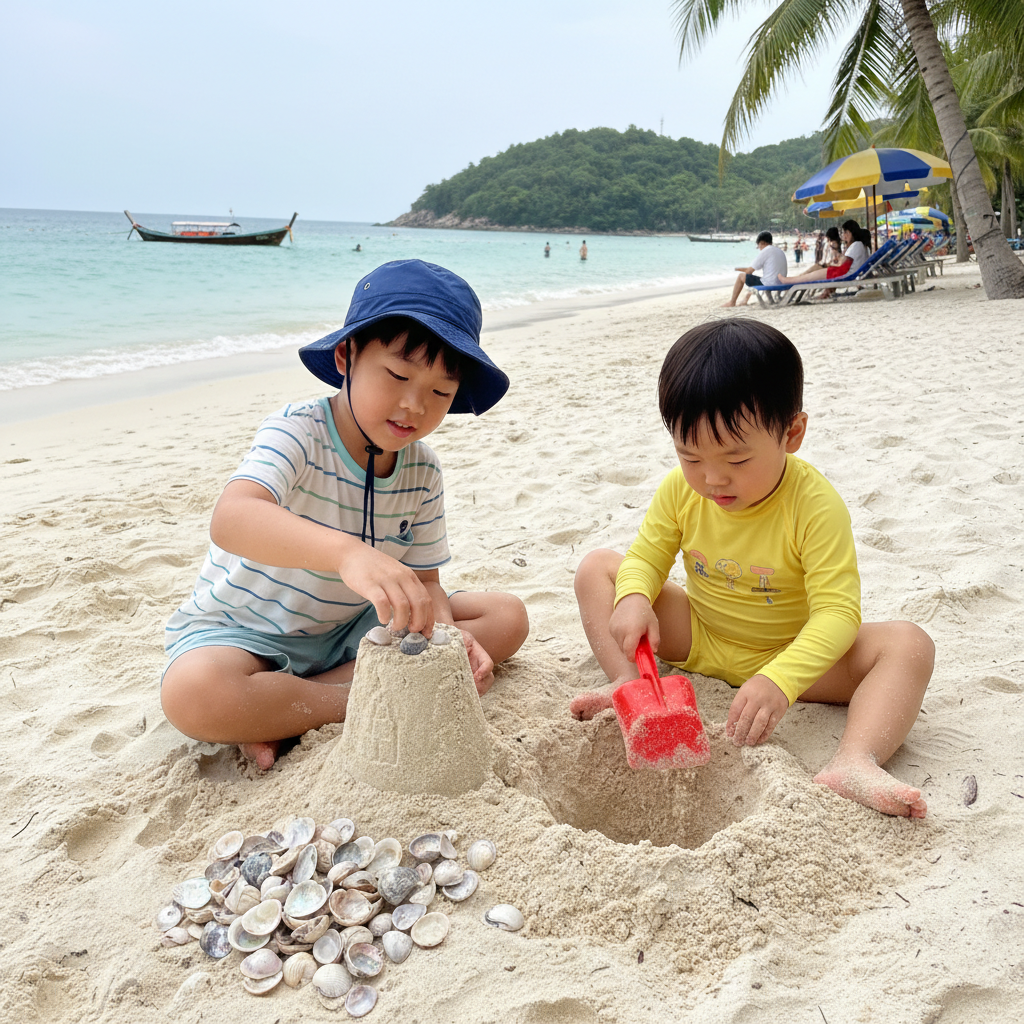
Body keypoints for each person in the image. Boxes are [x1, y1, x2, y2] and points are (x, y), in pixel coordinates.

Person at [161, 259, 530, 769]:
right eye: (397, 375)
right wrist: (346, 554)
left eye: (440, 392)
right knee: (195, 693)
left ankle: (286, 711)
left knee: (505, 617)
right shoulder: (298, 431)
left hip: (352, 631)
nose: (414, 405)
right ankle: (343, 698)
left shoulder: (422, 469)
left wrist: (448, 639)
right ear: (346, 355)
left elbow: (427, 583)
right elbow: (233, 517)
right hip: (248, 634)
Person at [570, 320, 933, 818]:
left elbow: (837, 613)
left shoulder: (814, 506)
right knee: (598, 568)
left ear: (792, 433)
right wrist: (634, 596)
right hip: (700, 633)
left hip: (791, 651)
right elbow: (647, 557)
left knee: (910, 645)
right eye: (690, 456)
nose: (712, 479)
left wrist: (781, 678)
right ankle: (627, 682)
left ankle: (855, 759)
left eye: (737, 460)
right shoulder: (680, 490)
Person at [778, 221, 869, 285]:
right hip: (844, 272)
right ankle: (790, 280)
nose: (844, 235)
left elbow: (844, 262)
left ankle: (789, 281)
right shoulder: (857, 245)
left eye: (845, 232)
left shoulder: (856, 245)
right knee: (810, 276)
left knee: (810, 277)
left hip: (842, 273)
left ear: (851, 233)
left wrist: (838, 258)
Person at [721, 230, 787, 307]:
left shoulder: (765, 251)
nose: (759, 248)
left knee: (741, 276)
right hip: (781, 282)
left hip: (770, 283)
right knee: (759, 279)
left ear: (762, 243)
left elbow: (749, 271)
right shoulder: (780, 251)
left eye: (758, 246)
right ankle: (745, 298)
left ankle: (732, 302)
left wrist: (736, 269)